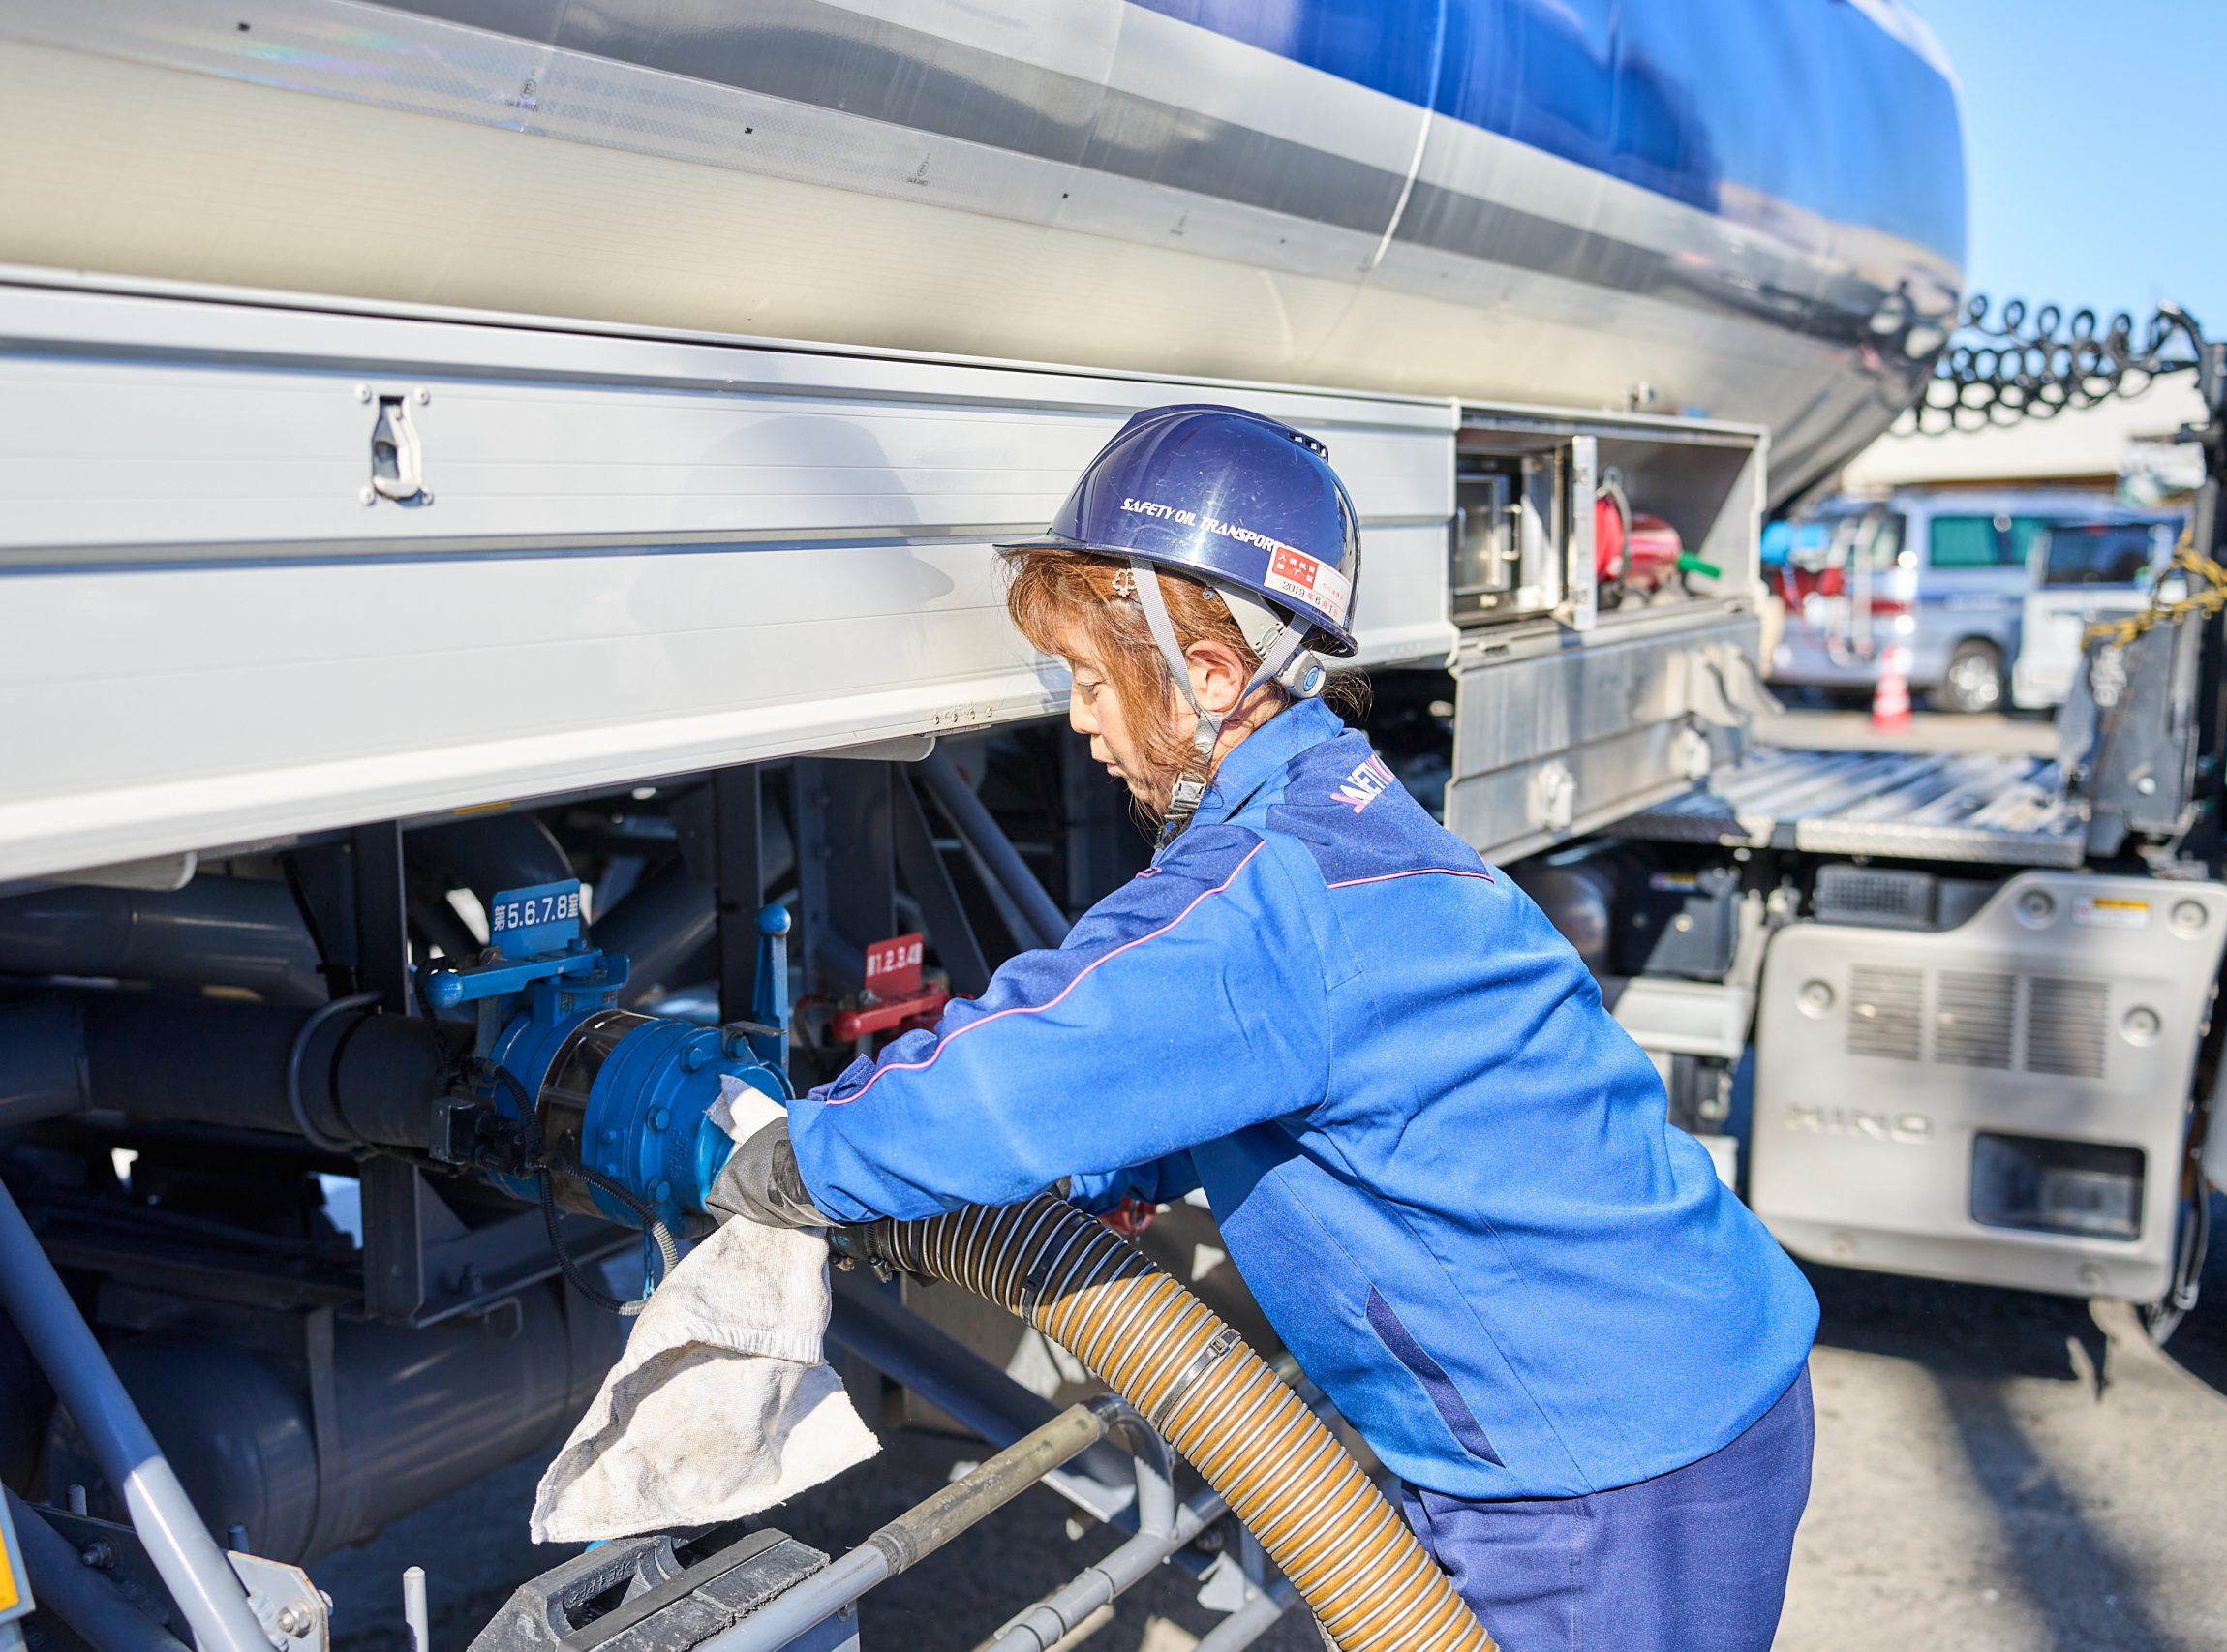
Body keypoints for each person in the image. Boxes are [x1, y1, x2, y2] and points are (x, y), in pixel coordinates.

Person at [711, 404, 1819, 1652]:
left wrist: (799, 1160)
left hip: (1602, 1471)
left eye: (1090, 680)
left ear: (1215, 675)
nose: (1079, 721)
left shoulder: (1270, 895)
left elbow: (1022, 1067)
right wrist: (1102, 1160)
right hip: (1664, 1394)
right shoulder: (1347, 821)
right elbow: (1265, 1090)